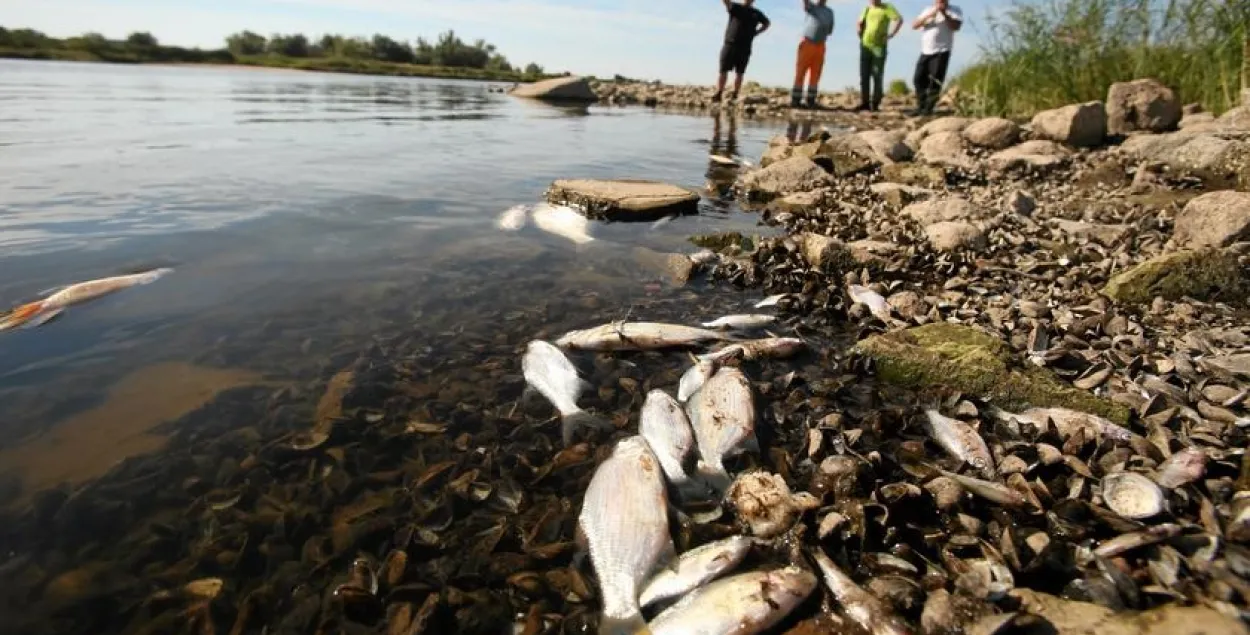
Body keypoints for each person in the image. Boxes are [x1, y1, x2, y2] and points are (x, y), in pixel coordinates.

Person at [712, 0, 770, 104]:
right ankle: (719, 93)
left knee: (740, 72)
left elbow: (767, 23)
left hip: (745, 47)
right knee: (723, 70)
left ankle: (735, 93)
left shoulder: (756, 13)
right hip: (730, 44)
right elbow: (726, 2)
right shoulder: (736, 7)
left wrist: (756, 32)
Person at [910, 0, 962, 115]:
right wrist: (931, 14)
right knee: (918, 79)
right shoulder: (928, 10)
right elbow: (914, 25)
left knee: (935, 80)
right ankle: (921, 106)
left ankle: (928, 109)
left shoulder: (955, 10)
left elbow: (956, 27)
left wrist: (944, 13)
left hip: (942, 50)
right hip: (925, 50)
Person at [855, 0, 902, 112]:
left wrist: (891, 34)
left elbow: (899, 20)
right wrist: (858, 29)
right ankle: (865, 102)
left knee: (877, 75)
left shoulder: (887, 7)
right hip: (865, 45)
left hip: (879, 47)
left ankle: (875, 103)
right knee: (864, 75)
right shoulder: (866, 9)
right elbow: (859, 22)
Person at [791, 0, 835, 109]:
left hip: (820, 45)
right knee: (801, 71)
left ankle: (811, 100)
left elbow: (830, 30)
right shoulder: (811, 7)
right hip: (807, 43)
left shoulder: (830, 12)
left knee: (816, 73)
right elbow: (805, 4)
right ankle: (796, 100)